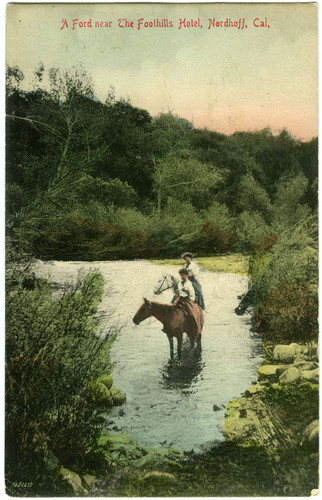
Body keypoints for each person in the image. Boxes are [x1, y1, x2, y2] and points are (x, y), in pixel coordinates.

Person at [175, 268, 203, 336]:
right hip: (180, 300)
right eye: (181, 275)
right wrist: (177, 293)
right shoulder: (179, 282)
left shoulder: (189, 283)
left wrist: (186, 291)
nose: (182, 276)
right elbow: (178, 292)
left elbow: (192, 294)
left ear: (187, 275)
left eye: (183, 275)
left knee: (191, 314)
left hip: (187, 300)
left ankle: (196, 328)